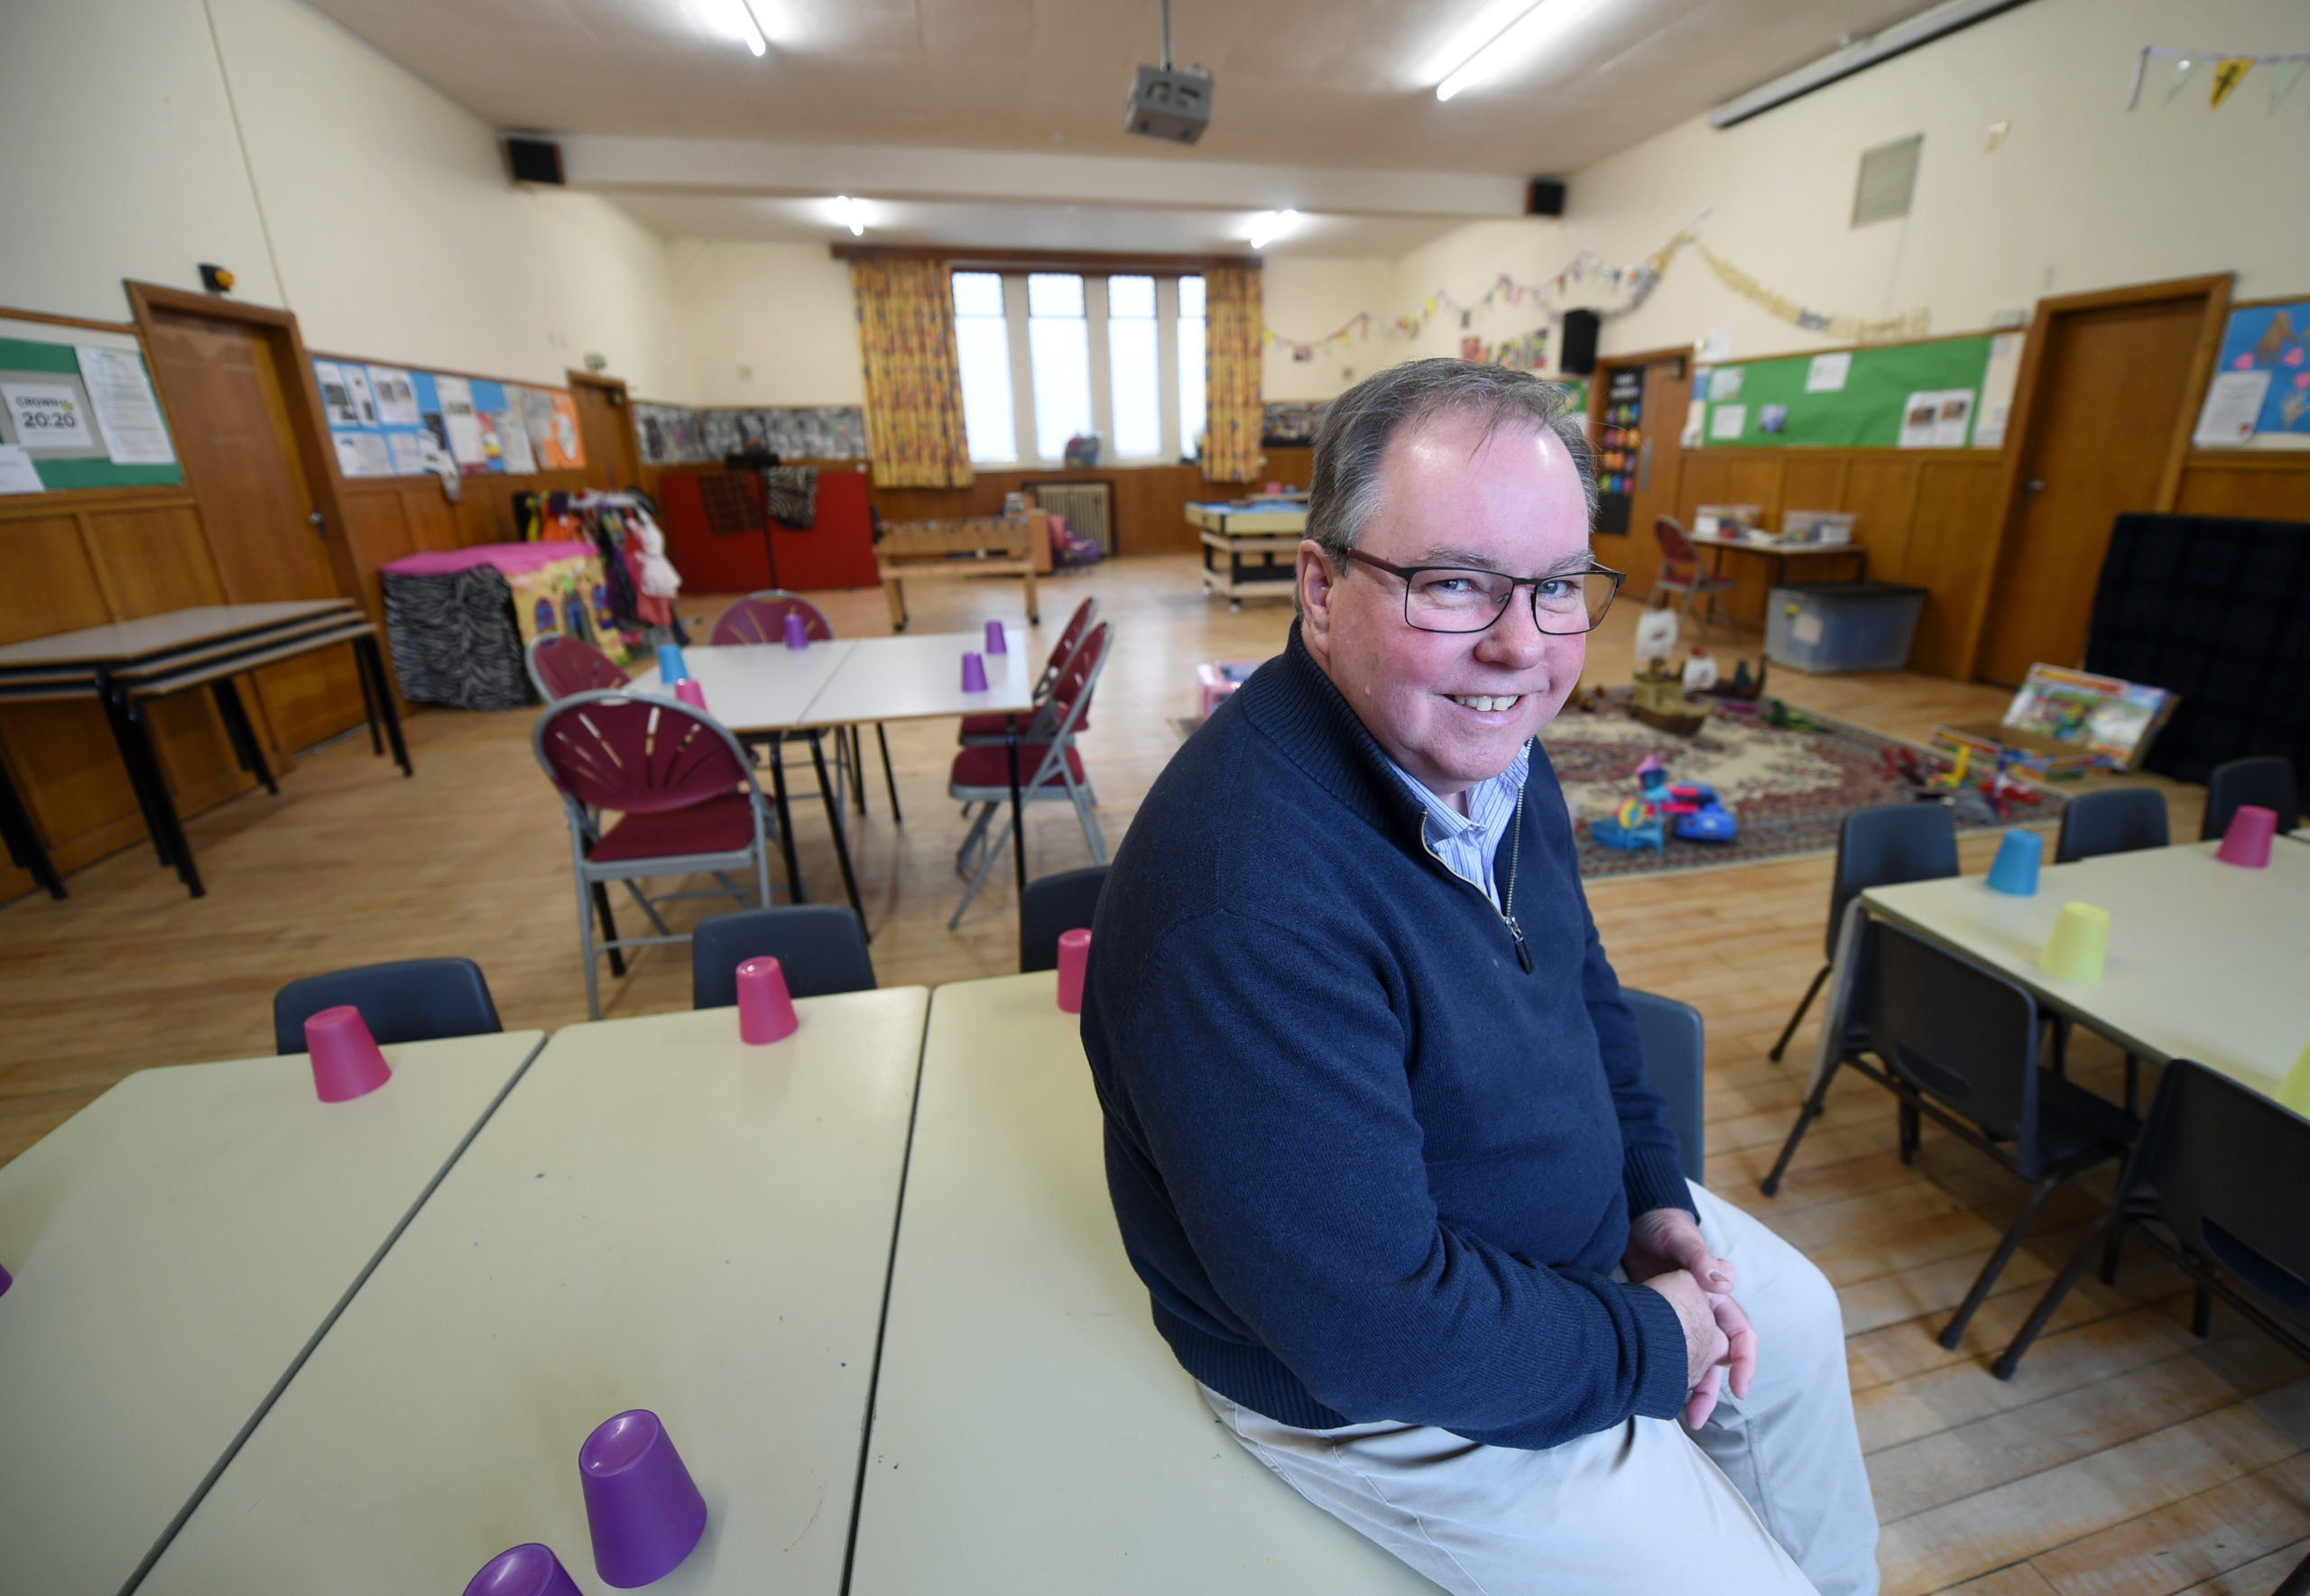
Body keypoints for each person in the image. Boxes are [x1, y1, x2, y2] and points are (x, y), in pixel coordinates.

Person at [1079, 360, 1877, 1596]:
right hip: (1378, 1380)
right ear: (1319, 588)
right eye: (1454, 582)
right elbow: (1368, 1326)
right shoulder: (1243, 905)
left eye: (1559, 587)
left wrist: (1656, 1197)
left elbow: (1582, 991)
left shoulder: (1490, 750)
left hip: (1544, 1251)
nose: (1521, 644)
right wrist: (1649, 1337)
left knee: (1803, 1312)